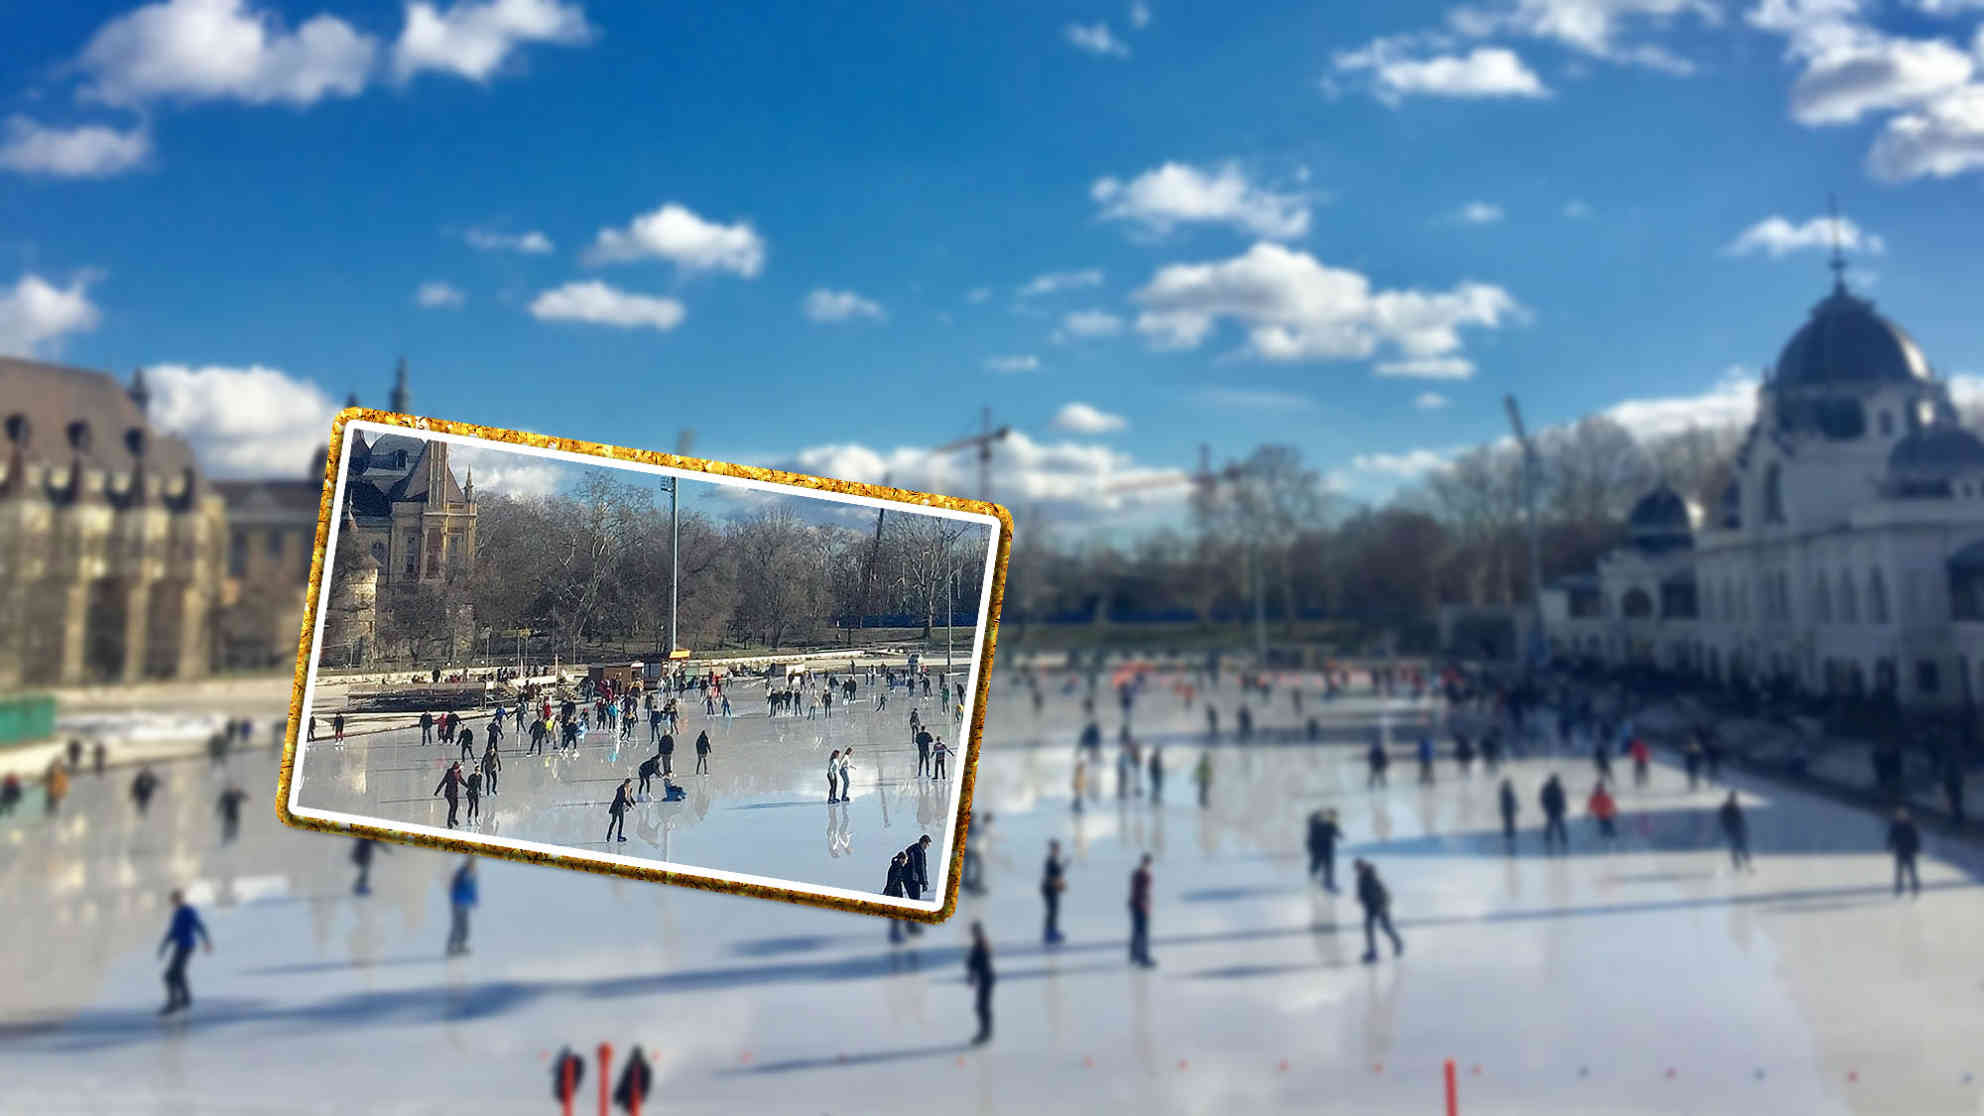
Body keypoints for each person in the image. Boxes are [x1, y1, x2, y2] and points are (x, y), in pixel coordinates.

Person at [156, 890, 212, 1015]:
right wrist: (163, 946)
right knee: (178, 974)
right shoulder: (177, 913)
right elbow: (173, 932)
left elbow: (199, 925)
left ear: (180, 899)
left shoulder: (188, 911)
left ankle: (174, 1003)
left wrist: (206, 941)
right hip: (181, 946)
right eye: (172, 901)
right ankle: (185, 999)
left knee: (170, 975)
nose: (173, 903)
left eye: (175, 900)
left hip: (186, 946)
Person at [1354, 859, 1404, 964]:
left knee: (1385, 927)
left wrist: (1382, 906)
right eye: (1357, 869)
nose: (1357, 870)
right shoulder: (1361, 878)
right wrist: (1360, 898)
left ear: (1363, 866)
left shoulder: (1371, 877)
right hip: (1370, 907)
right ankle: (1373, 951)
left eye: (1359, 868)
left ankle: (1397, 943)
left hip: (1380, 906)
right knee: (1369, 929)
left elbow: (1382, 893)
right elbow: (1362, 892)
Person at [966, 920, 994, 1045]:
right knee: (981, 1007)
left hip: (986, 979)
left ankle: (985, 1032)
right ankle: (985, 1031)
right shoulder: (980, 943)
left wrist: (971, 973)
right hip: (985, 978)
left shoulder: (981, 944)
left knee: (982, 1007)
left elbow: (977, 961)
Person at [1127, 853, 1155, 968]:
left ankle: (1134, 954)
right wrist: (1145, 905)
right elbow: (1142, 892)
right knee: (1143, 932)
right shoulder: (1143, 875)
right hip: (1140, 905)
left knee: (1137, 931)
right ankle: (1143, 956)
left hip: (1135, 904)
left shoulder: (1137, 873)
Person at [1888, 807, 1922, 896]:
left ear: (1906, 816)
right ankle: (1898, 889)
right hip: (1900, 851)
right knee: (1899, 871)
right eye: (1900, 815)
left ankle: (1915, 888)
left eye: (1903, 815)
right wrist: (1890, 845)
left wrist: (1916, 848)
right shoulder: (1895, 825)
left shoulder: (1911, 825)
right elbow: (1891, 836)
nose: (1901, 816)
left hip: (1910, 851)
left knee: (1912, 871)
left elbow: (1915, 837)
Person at [446, 858, 477, 956]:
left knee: (464, 927)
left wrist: (474, 900)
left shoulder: (472, 874)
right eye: (472, 863)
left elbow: (472, 889)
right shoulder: (462, 873)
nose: (473, 865)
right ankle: (451, 946)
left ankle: (461, 946)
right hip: (458, 903)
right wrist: (455, 900)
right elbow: (454, 887)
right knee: (457, 925)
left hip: (465, 903)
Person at [1306, 808, 1341, 891]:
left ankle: (1327, 882)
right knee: (1317, 864)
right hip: (1318, 847)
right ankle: (1314, 880)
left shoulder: (1329, 823)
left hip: (1326, 848)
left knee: (1328, 866)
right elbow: (1315, 831)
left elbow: (1335, 832)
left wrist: (1338, 833)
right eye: (1333, 816)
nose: (1334, 819)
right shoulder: (1318, 822)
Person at [613, 1044, 653, 1114]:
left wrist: (641, 1095)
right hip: (629, 1098)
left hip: (635, 1097)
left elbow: (646, 1084)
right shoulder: (631, 1067)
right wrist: (618, 1096)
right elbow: (624, 1082)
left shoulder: (643, 1067)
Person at [1718, 791, 1752, 871]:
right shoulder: (1726, 808)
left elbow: (1741, 819)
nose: (1734, 799)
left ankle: (1747, 863)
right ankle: (1737, 864)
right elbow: (1724, 820)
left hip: (1738, 830)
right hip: (1732, 830)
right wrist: (1727, 829)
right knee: (1736, 847)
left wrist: (1744, 829)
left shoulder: (1736, 807)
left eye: (1734, 798)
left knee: (1742, 847)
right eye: (1733, 798)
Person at [1041, 839, 1066, 944]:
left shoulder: (1053, 860)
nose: (1058, 850)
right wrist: (1057, 883)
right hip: (1049, 889)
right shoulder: (1050, 860)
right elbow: (1051, 876)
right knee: (1052, 910)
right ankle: (1049, 932)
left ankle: (1052, 930)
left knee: (1054, 910)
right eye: (1056, 848)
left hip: (1052, 889)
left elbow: (1057, 874)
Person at [884, 851, 910, 943]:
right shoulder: (897, 868)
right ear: (901, 859)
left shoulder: (895, 866)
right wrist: (888, 892)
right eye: (905, 860)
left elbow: (891, 881)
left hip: (895, 892)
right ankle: (896, 935)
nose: (906, 862)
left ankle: (896, 933)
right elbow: (892, 881)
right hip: (895, 894)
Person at [1539, 774, 1568, 852]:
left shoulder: (1556, 788)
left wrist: (1563, 806)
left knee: (1557, 825)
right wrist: (1545, 806)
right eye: (1555, 780)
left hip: (1555, 809)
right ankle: (1551, 839)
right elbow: (1543, 798)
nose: (1556, 781)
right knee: (1553, 825)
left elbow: (1562, 798)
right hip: (1552, 809)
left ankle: (1561, 840)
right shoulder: (1549, 788)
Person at [434, 763, 465, 828]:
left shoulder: (458, 773)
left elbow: (461, 781)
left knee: (456, 806)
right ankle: (449, 822)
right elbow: (443, 782)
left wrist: (468, 787)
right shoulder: (449, 774)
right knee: (452, 807)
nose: (456, 770)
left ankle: (453, 818)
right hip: (449, 793)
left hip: (455, 793)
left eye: (457, 769)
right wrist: (437, 791)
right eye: (456, 769)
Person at [607, 778, 633, 843]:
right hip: (617, 807)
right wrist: (629, 805)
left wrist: (632, 803)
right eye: (629, 784)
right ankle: (611, 836)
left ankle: (615, 836)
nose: (629, 786)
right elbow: (622, 798)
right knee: (616, 822)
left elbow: (628, 797)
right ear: (626, 783)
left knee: (616, 822)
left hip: (618, 807)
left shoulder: (624, 789)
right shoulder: (621, 789)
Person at [1498, 778, 1519, 846]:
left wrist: (1515, 806)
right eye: (1508, 783)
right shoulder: (1505, 791)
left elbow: (1512, 799)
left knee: (1509, 821)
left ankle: (1510, 833)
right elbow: (1510, 800)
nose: (1509, 785)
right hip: (1507, 809)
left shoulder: (1506, 791)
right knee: (1508, 821)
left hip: (1508, 809)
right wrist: (1515, 805)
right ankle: (1509, 833)